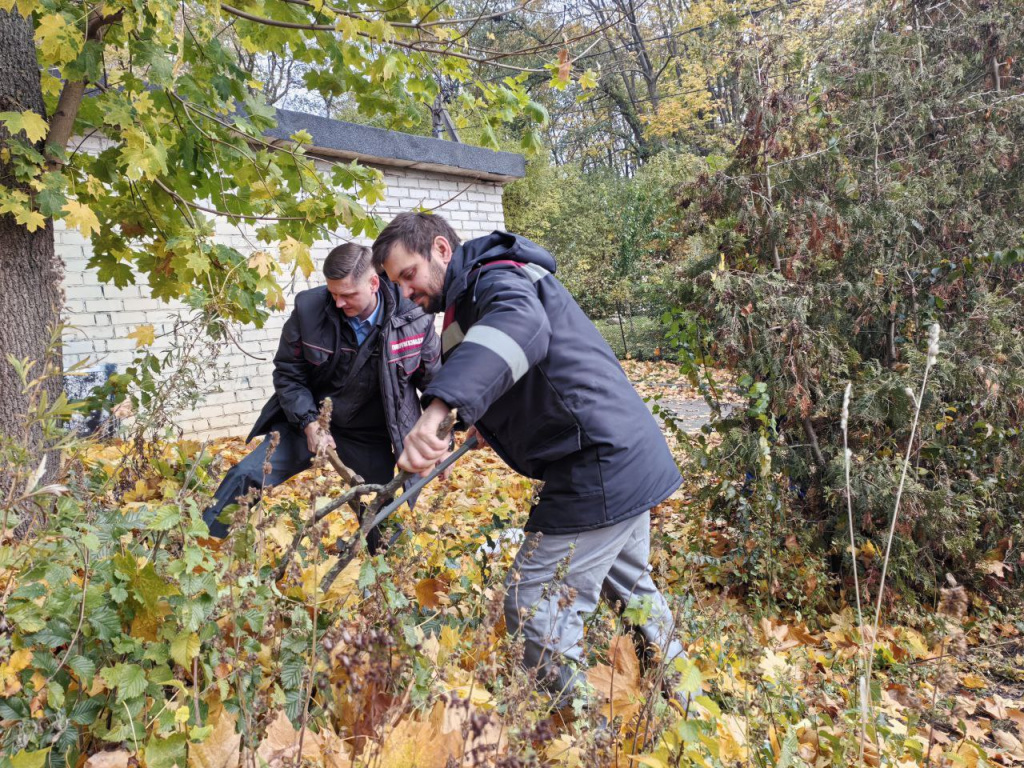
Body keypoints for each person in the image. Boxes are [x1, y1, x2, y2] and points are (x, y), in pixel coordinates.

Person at [371, 212, 685, 709]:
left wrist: (436, 409)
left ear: (441, 250)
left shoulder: (494, 277)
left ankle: (582, 740)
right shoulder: (467, 302)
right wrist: (485, 422)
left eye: (408, 275)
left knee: (534, 607)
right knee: (632, 589)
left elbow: (521, 327)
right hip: (621, 453)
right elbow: (509, 367)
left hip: (597, 464)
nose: (405, 293)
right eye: (395, 285)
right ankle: (685, 704)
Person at [203, 243, 441, 552]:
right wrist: (309, 423)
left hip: (370, 431)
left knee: (377, 508)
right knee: (246, 475)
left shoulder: (414, 316)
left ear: (373, 283)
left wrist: (451, 425)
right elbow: (289, 373)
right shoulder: (309, 309)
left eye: (348, 295)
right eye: (333, 294)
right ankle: (202, 547)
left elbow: (436, 380)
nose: (339, 303)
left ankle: (383, 575)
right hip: (308, 418)